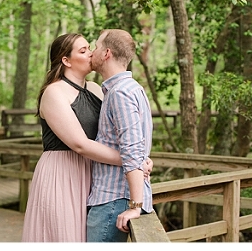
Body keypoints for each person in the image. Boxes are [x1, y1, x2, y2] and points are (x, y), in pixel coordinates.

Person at [21, 33, 152, 242]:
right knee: (65, 235)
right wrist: (132, 161)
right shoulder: (54, 93)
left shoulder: (96, 89)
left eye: (90, 47)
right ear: (66, 60)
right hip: (63, 172)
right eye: (83, 51)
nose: (91, 53)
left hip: (94, 174)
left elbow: (118, 134)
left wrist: (140, 157)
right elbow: (80, 144)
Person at [86, 29, 154, 242]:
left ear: (106, 53)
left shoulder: (120, 93)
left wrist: (135, 206)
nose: (91, 52)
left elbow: (132, 151)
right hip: (115, 199)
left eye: (95, 47)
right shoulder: (129, 89)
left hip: (113, 200)